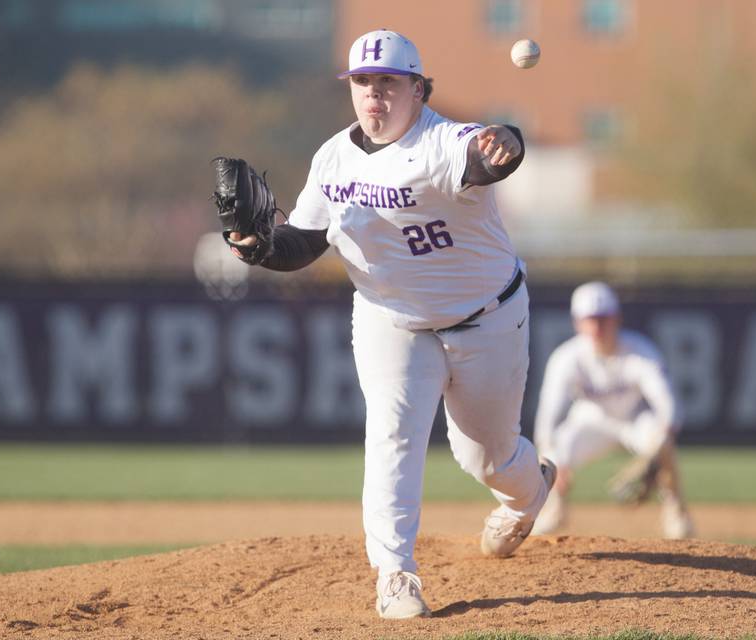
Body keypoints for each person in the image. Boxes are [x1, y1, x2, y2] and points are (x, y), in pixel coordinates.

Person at [225, 29, 555, 619]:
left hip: (487, 320)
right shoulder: (332, 158)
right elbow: (304, 242)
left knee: (489, 459)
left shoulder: (442, 141)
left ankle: (528, 496)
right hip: (391, 320)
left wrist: (506, 140)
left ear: (419, 89)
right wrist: (259, 247)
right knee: (392, 435)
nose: (374, 94)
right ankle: (395, 574)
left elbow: (487, 152)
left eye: (388, 82)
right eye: (362, 82)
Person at [532, 281, 694, 539]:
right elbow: (548, 415)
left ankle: (676, 511)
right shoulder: (567, 357)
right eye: (589, 319)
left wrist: (660, 442)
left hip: (633, 419)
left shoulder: (639, 351)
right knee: (552, 451)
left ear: (616, 319)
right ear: (577, 323)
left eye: (603, 319)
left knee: (662, 441)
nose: (596, 327)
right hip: (591, 420)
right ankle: (554, 510)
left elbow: (668, 404)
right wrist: (550, 457)